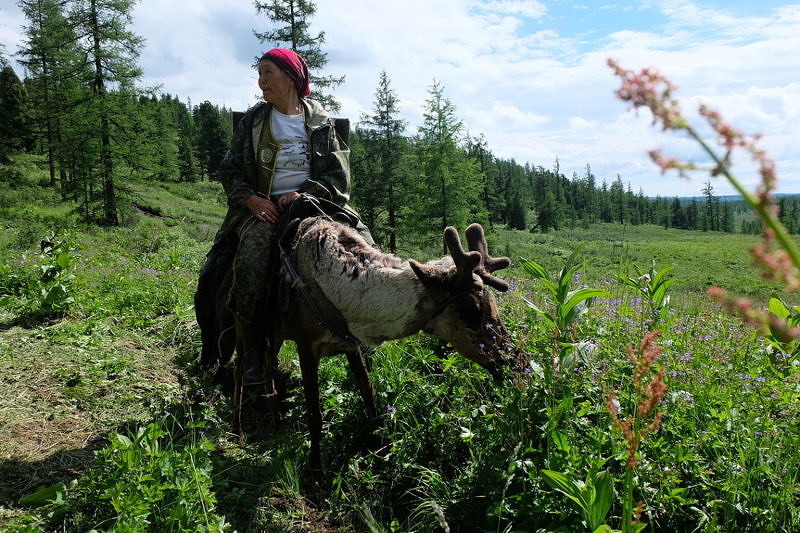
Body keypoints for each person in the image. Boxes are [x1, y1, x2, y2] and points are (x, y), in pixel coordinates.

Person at [195, 48, 372, 385]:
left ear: (291, 78)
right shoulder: (254, 121)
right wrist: (250, 199)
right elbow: (230, 169)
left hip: (313, 205)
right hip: (266, 210)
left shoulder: (320, 123)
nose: (261, 81)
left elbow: (338, 176)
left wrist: (307, 192)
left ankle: (364, 336)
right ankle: (254, 355)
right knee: (251, 257)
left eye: (268, 73)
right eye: (259, 74)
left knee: (362, 249)